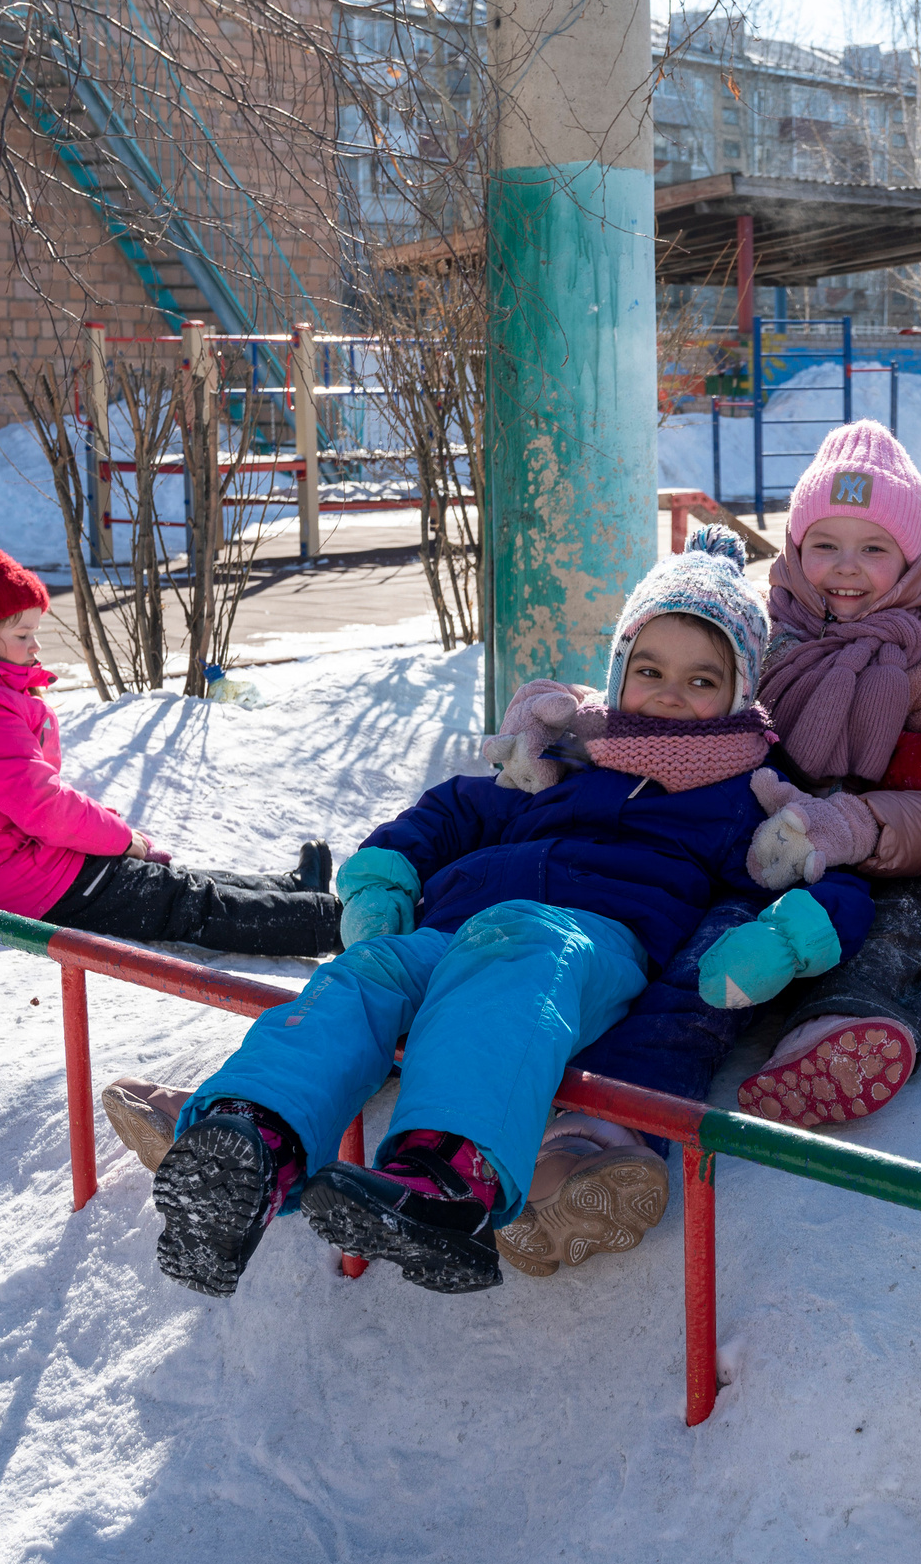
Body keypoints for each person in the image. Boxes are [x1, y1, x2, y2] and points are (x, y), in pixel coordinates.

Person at [147, 529, 873, 1298]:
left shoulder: (743, 798)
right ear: (619, 671)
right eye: (650, 670)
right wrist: (388, 871)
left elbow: (832, 879)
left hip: (586, 945)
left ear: (739, 693)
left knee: (519, 954)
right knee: (365, 974)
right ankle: (253, 1140)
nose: (669, 693)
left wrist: (785, 938)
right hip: (454, 931)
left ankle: (448, 1174)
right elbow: (454, 809)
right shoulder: (566, 757)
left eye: (701, 680)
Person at [714, 420, 921, 1130]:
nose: (846, 567)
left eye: (873, 549)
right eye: (825, 546)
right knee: (708, 912)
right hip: (768, 838)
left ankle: (839, 1032)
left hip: (884, 856)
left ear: (911, 559)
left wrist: (862, 827)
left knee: (894, 926)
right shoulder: (759, 638)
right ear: (793, 548)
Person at [0, 531, 339, 958]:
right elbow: (42, 805)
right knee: (178, 901)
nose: (35, 646)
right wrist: (121, 840)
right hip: (8, 883)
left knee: (165, 881)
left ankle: (295, 893)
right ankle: (333, 923)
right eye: (22, 636)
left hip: (8, 867)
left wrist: (109, 836)